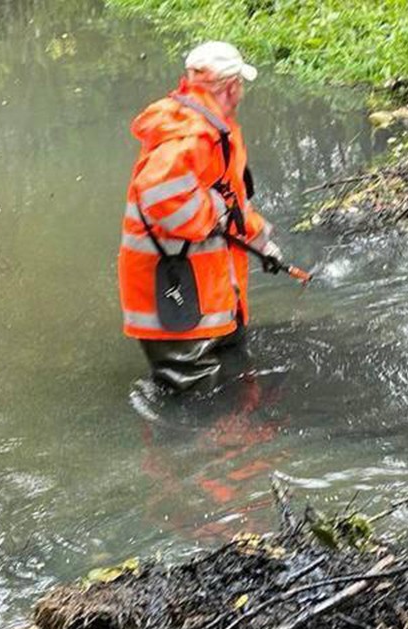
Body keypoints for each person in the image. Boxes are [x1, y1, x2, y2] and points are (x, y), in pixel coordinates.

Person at [118, 41, 283, 393]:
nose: (241, 93)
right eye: (240, 85)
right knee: (192, 400)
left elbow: (230, 202)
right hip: (177, 293)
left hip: (206, 294)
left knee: (228, 384)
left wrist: (261, 241)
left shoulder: (207, 126)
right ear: (231, 86)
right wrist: (214, 214)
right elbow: (160, 192)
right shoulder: (192, 133)